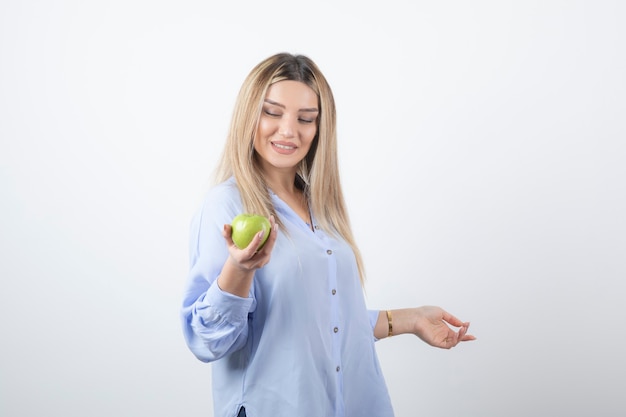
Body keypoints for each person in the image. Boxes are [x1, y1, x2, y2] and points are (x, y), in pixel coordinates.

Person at [180, 52, 476, 417]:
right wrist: (239, 270)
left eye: (306, 119)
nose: (289, 130)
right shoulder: (226, 205)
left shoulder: (322, 206)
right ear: (248, 116)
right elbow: (207, 340)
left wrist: (411, 319)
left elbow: (324, 320)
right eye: (272, 112)